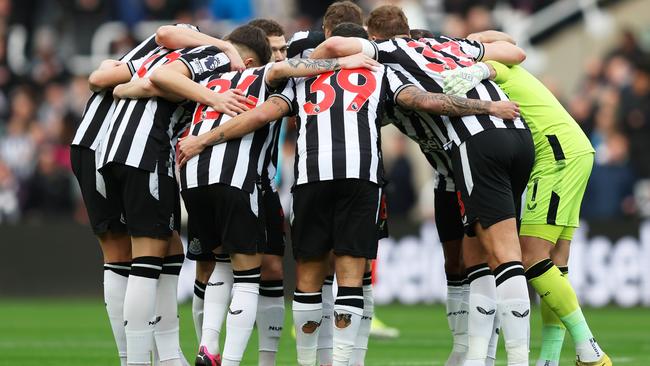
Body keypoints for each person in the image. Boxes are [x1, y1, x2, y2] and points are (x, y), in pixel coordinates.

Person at [176, 25, 519, 366]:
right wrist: (487, 108)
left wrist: (204, 139)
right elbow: (425, 101)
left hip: (312, 179)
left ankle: (308, 362)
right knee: (352, 279)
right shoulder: (382, 72)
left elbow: (260, 115)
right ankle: (341, 362)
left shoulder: (303, 78)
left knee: (309, 278)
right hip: (361, 178)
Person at [310, 5, 531, 365]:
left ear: (375, 37)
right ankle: (473, 354)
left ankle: (502, 358)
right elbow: (513, 48)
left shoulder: (393, 53)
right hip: (515, 140)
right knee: (476, 257)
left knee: (499, 254)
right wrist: (477, 50)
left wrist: (312, 62)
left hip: (476, 144)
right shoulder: (448, 43)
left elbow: (337, 47)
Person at [71, 23, 244, 366]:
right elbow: (161, 39)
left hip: (95, 143)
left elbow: (102, 79)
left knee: (158, 245)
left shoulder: (146, 58)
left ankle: (166, 355)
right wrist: (224, 46)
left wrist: (128, 83)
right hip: (125, 147)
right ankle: (138, 359)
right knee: (140, 251)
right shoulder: (196, 55)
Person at [442, 39, 612, 366]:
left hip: (556, 156)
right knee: (555, 265)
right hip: (574, 150)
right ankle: (550, 359)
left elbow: (497, 64)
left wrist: (476, 67)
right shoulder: (509, 68)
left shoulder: (494, 68)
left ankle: (589, 350)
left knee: (531, 258)